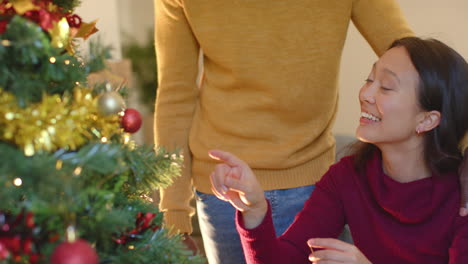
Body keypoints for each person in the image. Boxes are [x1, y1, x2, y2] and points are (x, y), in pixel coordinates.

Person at [153, 0, 468, 262]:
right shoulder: (348, 179)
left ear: (428, 120)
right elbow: (174, 96)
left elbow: (431, 76)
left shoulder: (457, 199)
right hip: (225, 184)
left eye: (385, 86)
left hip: (309, 171)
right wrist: (252, 211)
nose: (365, 94)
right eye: (369, 79)